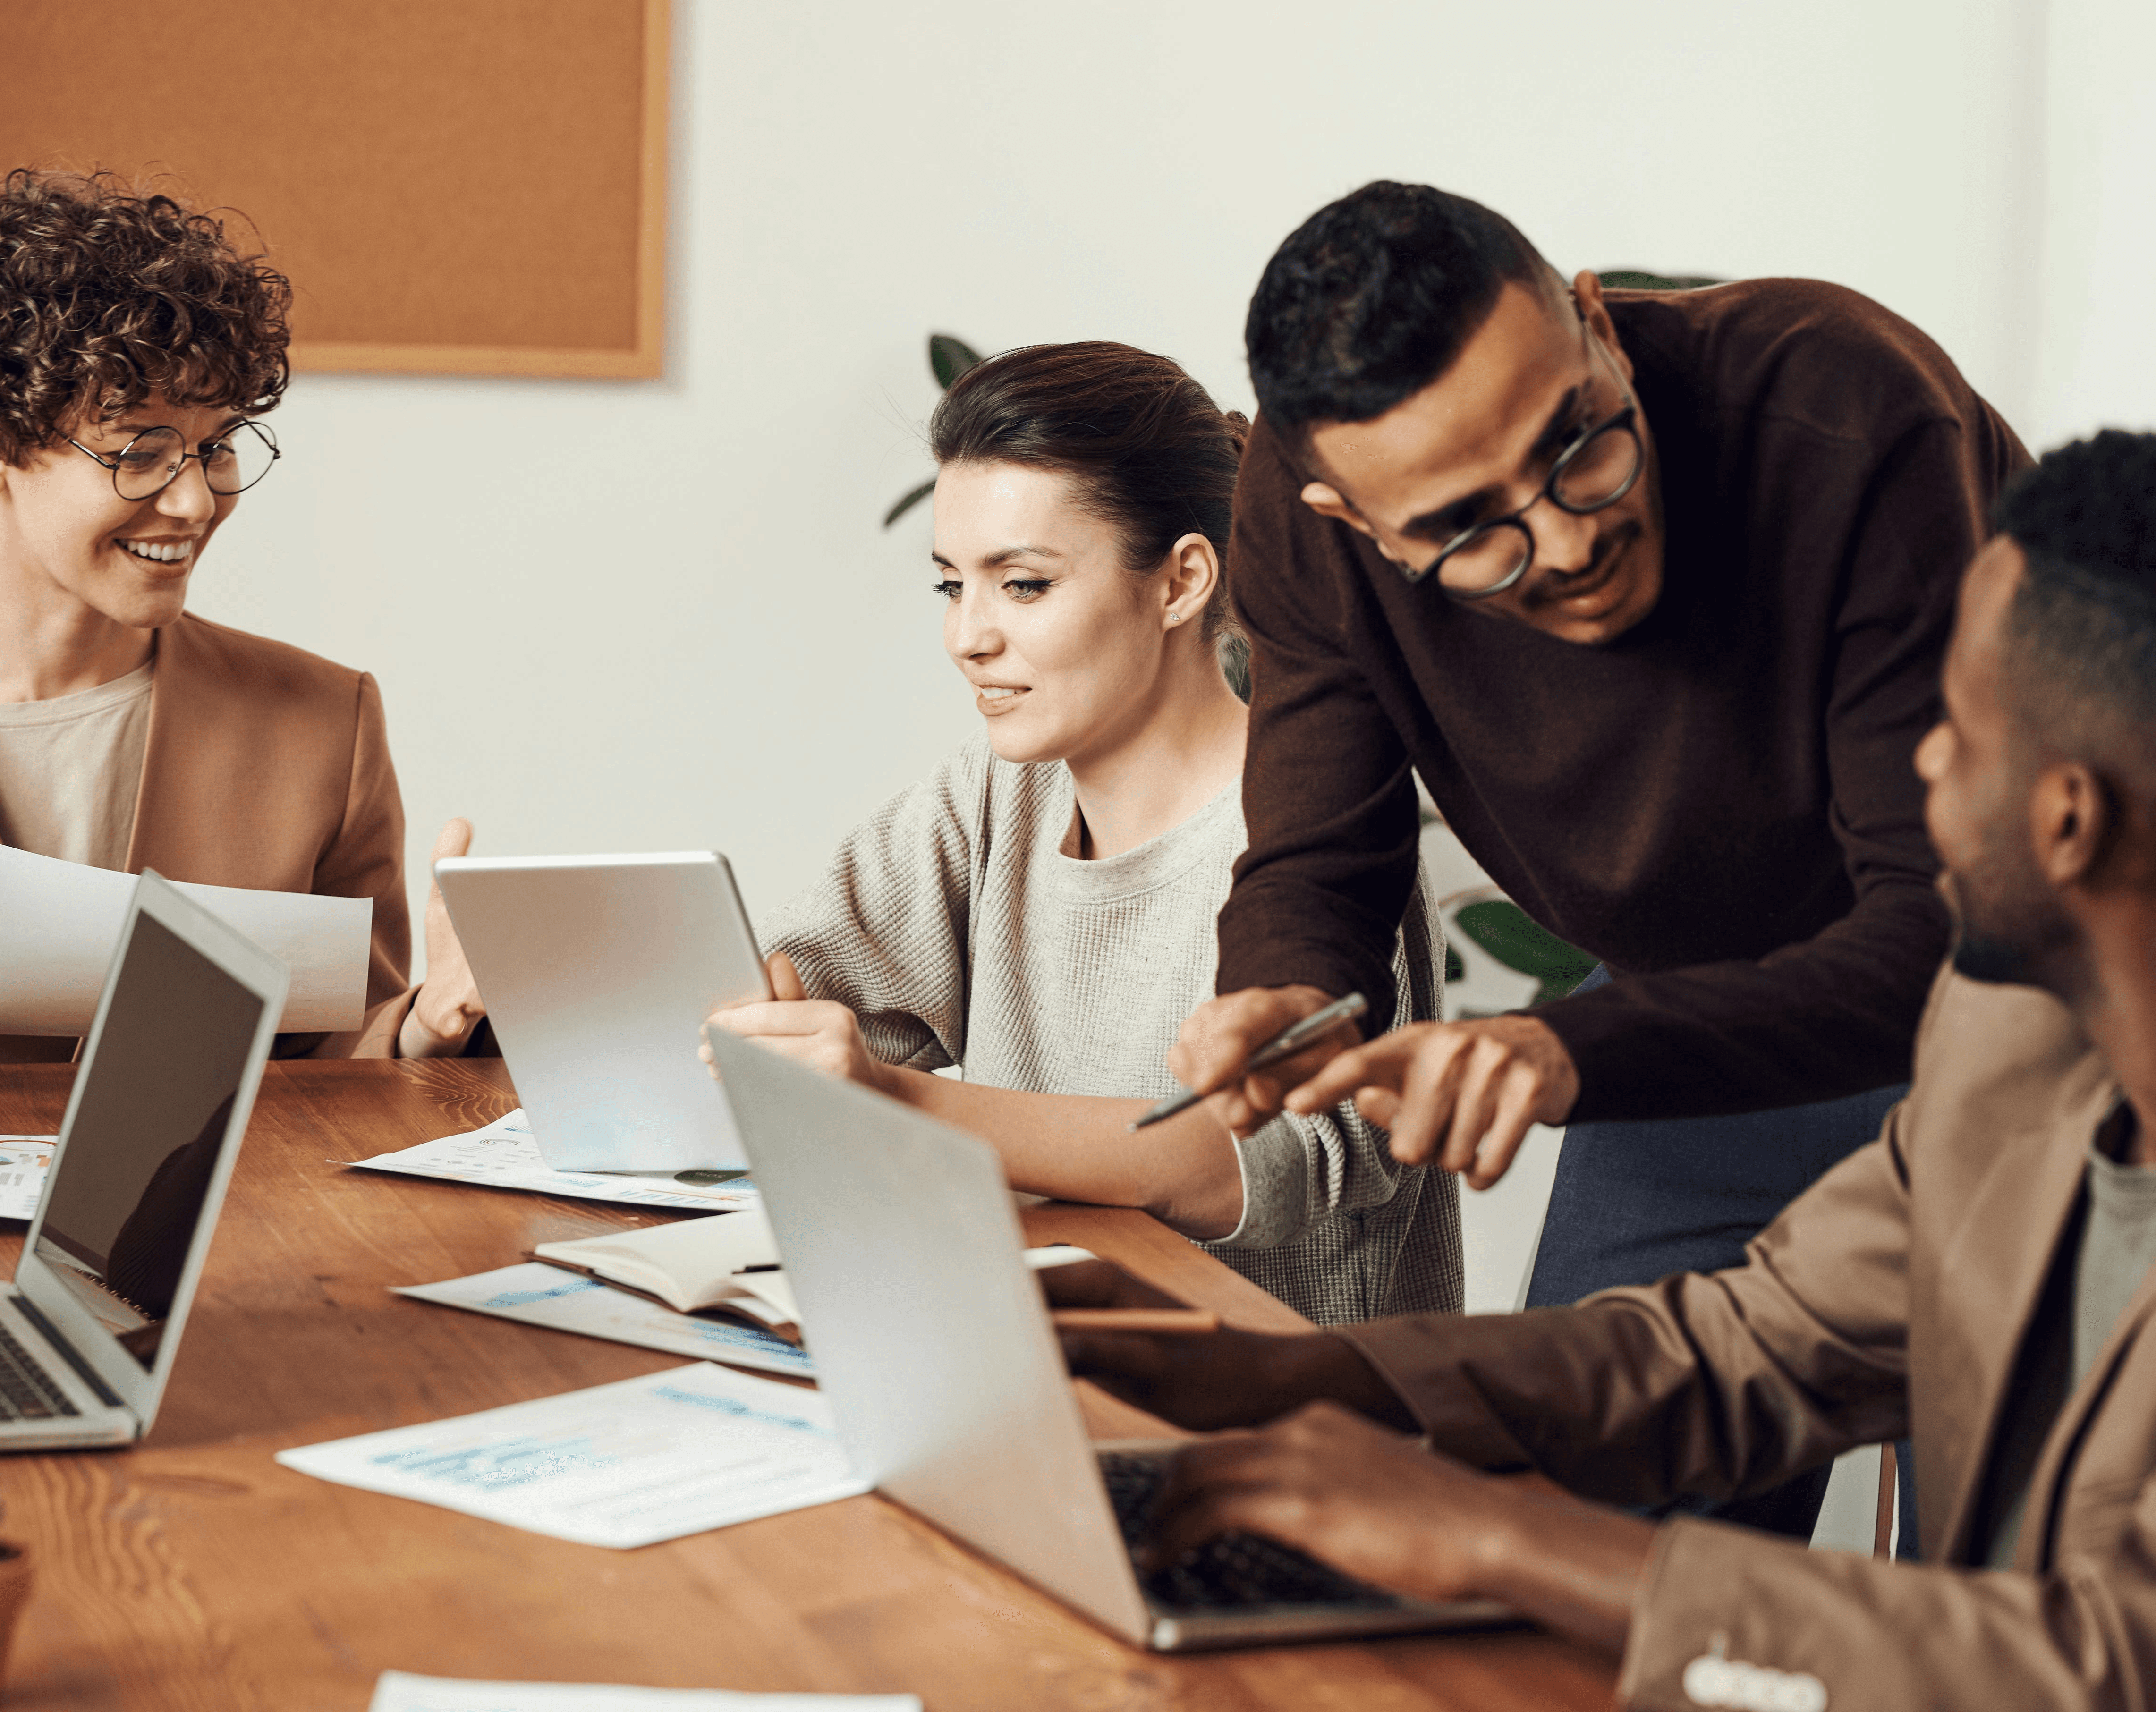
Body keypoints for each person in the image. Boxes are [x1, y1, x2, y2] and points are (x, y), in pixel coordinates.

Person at [1055, 432, 2156, 1707]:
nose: (1918, 762)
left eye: (1955, 731)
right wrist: (1310, 1374)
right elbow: (1749, 1345)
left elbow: (2108, 1662)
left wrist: (1496, 1537)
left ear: (2066, 818)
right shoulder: (2007, 1044)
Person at [1172, 183, 2027, 1534]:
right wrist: (1282, 988)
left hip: (2013, 1045)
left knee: (1993, 1593)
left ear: (1595, 327)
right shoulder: (1293, 521)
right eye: (1464, 529)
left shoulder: (1844, 410)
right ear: (1353, 522)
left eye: (1577, 444)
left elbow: (1944, 926)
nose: (1568, 540)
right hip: (1688, 1048)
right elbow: (1315, 859)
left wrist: (1561, 1053)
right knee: (1582, 1557)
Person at [707, 342, 1459, 1325]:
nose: (968, 635)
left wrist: (901, 1103)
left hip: (1299, 1433)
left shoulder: (1326, 836)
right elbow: (782, 997)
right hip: (1045, 1376)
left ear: (1182, 581)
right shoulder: (995, 798)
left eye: (1022, 585)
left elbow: (1262, 1166)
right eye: (951, 585)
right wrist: (469, 1014)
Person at [0, 169, 484, 1059]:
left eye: (215, 446)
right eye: (140, 449)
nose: (194, 501)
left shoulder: (322, 725)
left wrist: (422, 1027)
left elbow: (336, 1073)